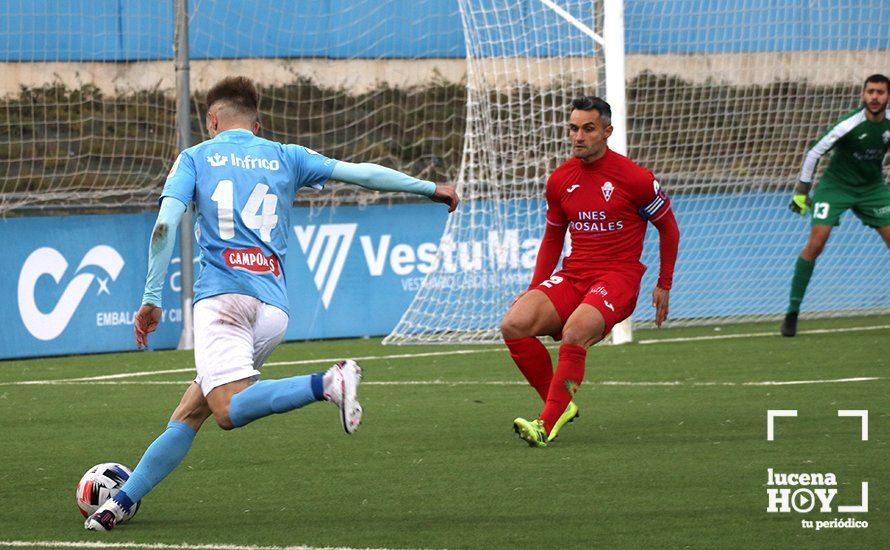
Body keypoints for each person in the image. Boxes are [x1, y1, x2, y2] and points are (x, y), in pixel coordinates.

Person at [85, 76, 459, 530]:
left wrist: (150, 297)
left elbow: (166, 223)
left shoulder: (195, 158)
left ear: (212, 119)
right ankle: (120, 503)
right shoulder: (286, 155)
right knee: (192, 409)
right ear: (257, 125)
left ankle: (328, 383)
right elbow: (361, 173)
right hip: (274, 309)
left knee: (226, 410)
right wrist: (428, 188)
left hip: (223, 301)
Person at [501, 96, 680, 448]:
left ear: (607, 132)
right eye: (573, 128)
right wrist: (535, 287)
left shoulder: (636, 178)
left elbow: (669, 229)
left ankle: (546, 423)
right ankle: (560, 405)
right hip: (574, 275)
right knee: (514, 325)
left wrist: (664, 284)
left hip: (618, 278)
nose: (578, 136)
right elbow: (553, 236)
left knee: (574, 332)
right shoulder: (560, 179)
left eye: (588, 129)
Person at [781, 73, 890, 337]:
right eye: (870, 92)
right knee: (817, 243)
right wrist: (802, 192)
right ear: (863, 95)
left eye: (880, 92)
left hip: (872, 188)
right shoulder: (848, 125)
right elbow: (814, 152)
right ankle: (792, 312)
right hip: (835, 188)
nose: (874, 97)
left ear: (887, 97)